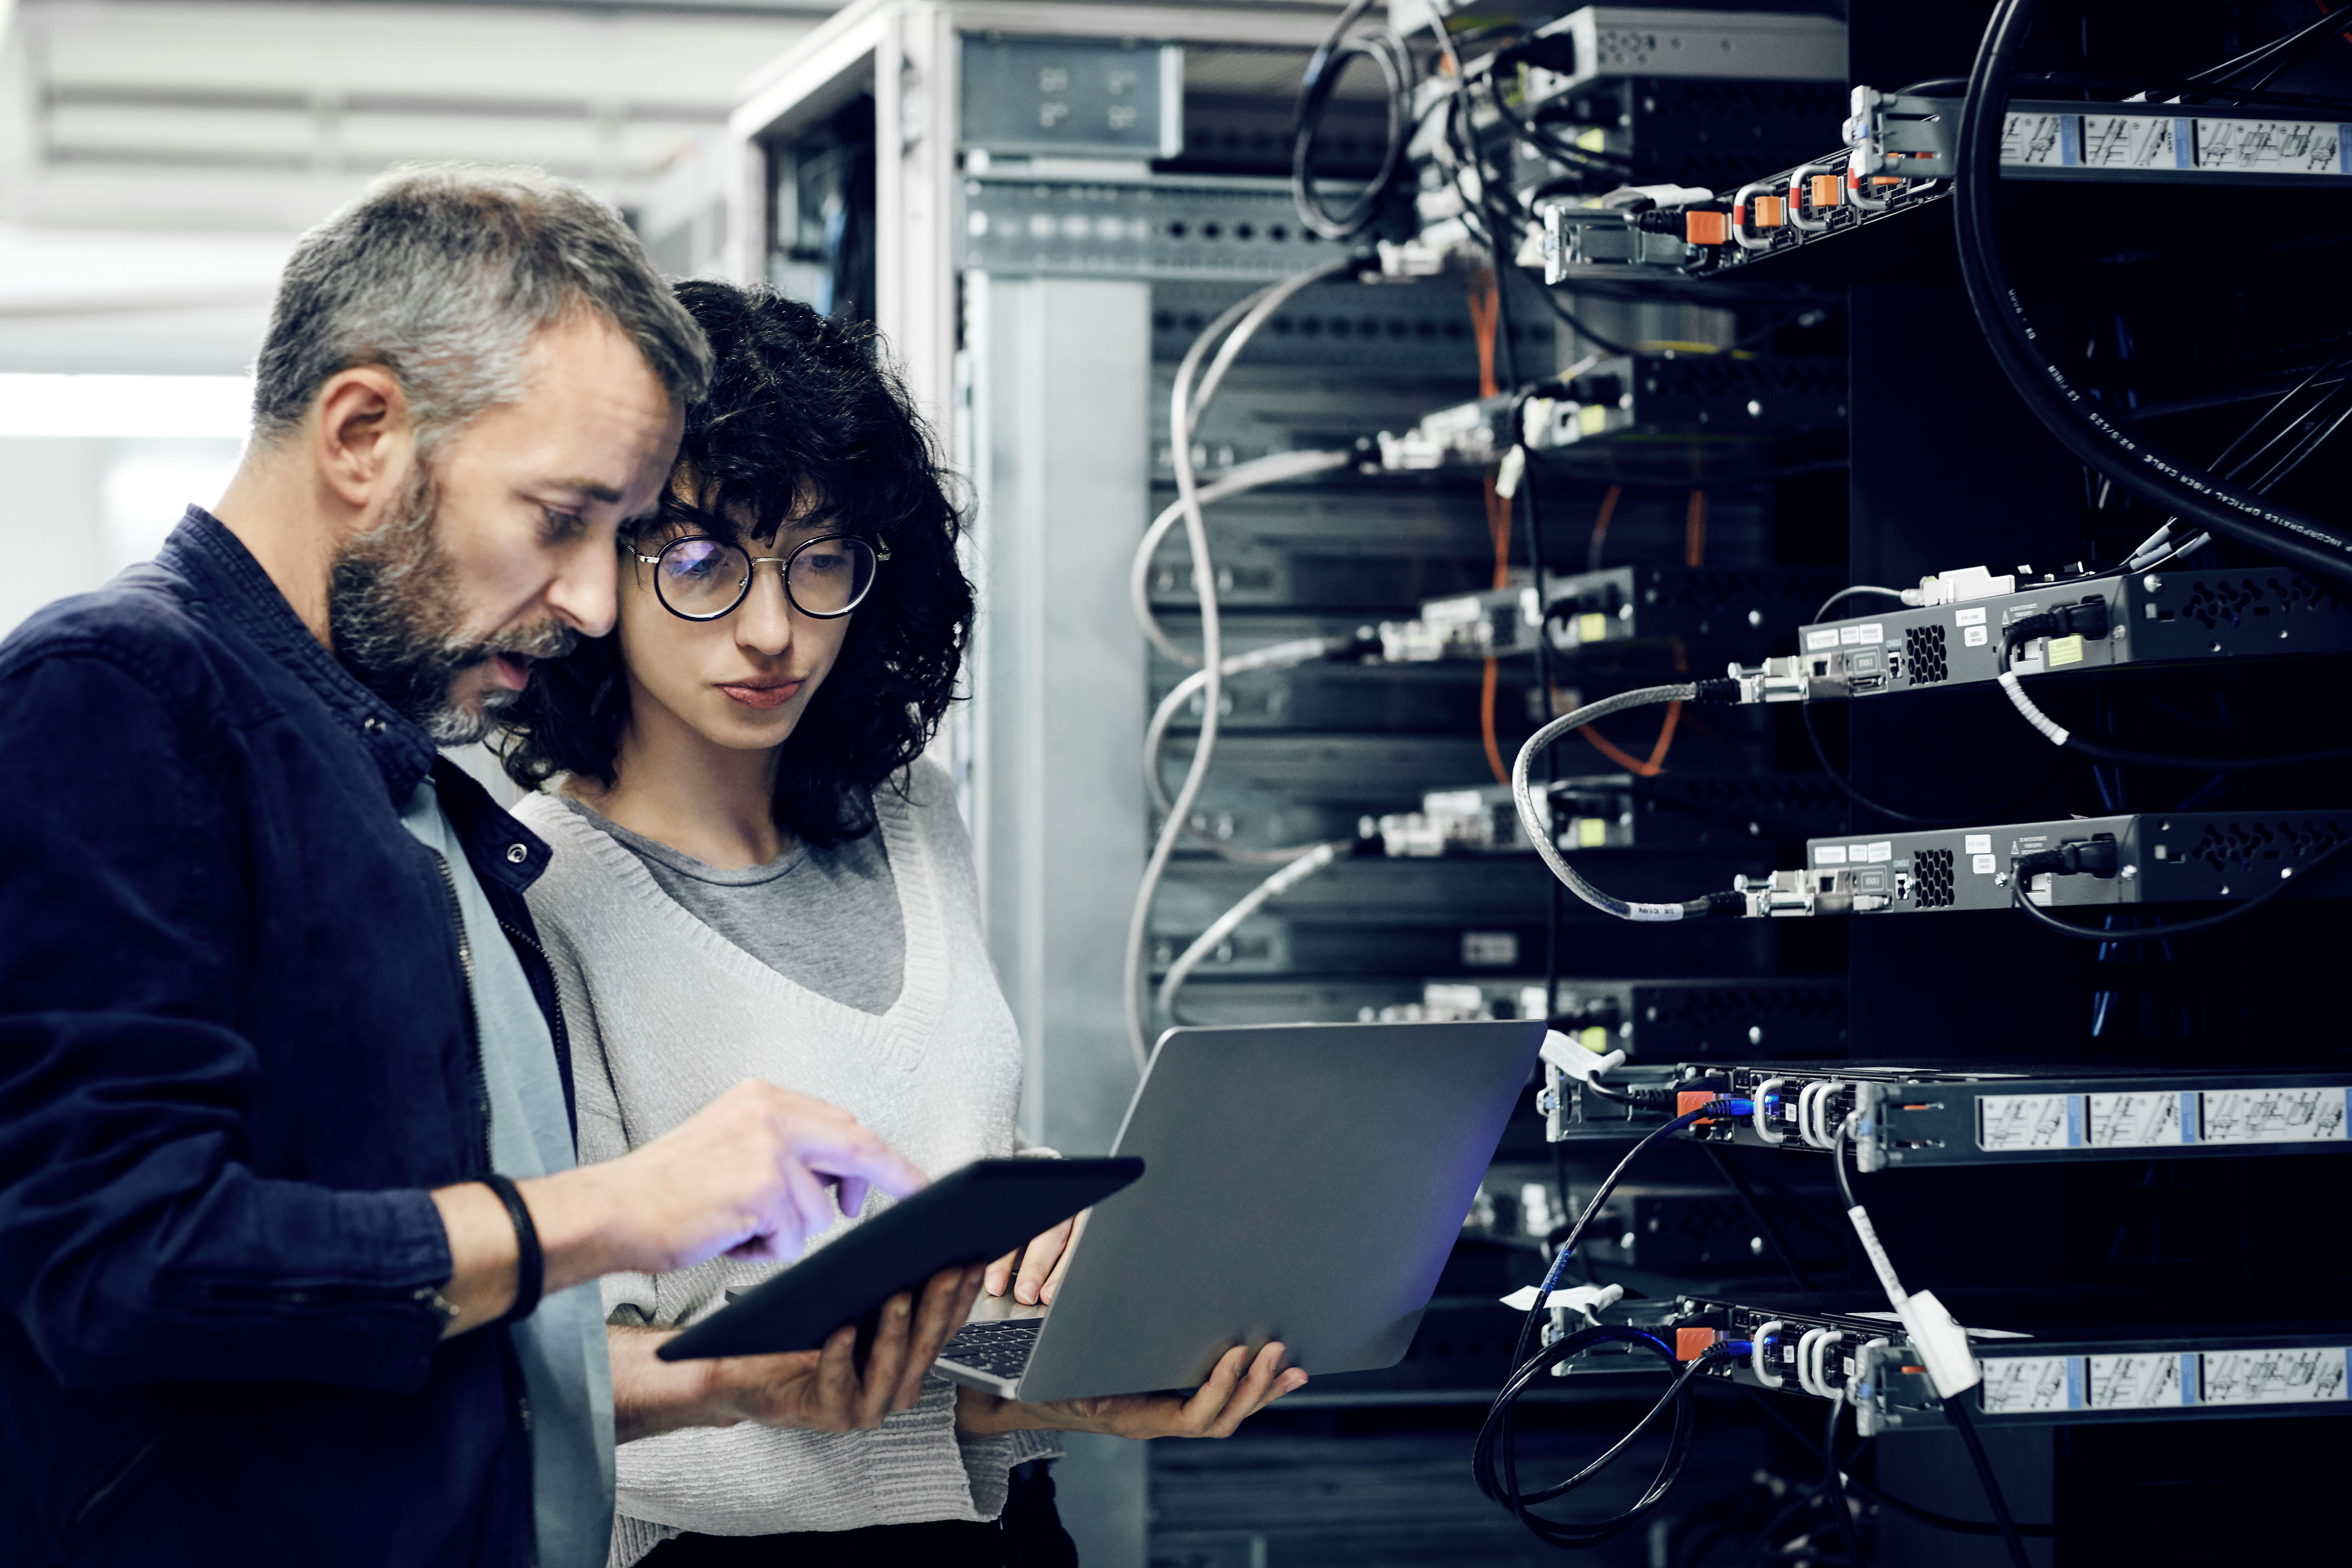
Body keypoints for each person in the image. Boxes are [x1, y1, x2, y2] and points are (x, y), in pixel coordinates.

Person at [0, 167, 978, 1568]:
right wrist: (623, 1207)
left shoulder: (398, 774)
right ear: (362, 433)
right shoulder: (114, 695)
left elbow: (392, 1338)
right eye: (563, 517)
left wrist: (725, 1379)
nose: (590, 600)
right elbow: (114, 1266)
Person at [494, 280, 1307, 1567]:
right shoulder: (538, 890)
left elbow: (951, 1144)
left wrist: (1050, 1240)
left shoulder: (915, 816)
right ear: (596, 564)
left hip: (1010, 1536)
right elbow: (581, 1392)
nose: (776, 629)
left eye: (822, 558)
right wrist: (1005, 1410)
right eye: (702, 560)